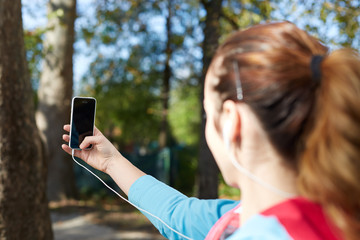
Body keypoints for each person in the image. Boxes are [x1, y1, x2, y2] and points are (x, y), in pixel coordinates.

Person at [62, 21, 360, 240]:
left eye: (208, 113)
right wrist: (111, 161)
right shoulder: (337, 215)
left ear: (232, 122)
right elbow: (178, 215)